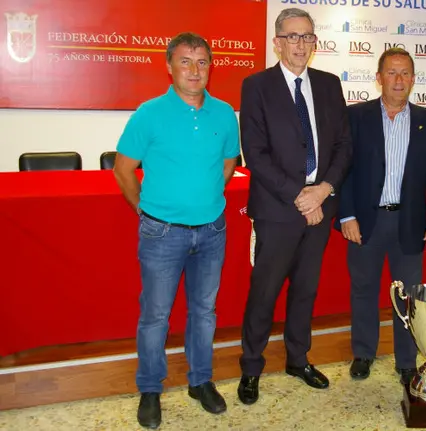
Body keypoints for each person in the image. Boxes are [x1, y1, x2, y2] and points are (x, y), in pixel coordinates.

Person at [113, 32, 239, 429]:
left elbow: (227, 164)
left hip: (212, 232)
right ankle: (150, 388)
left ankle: (199, 381)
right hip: (162, 234)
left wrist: (204, 200)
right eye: (185, 61)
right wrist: (147, 212)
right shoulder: (148, 114)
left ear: (211, 67)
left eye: (202, 62)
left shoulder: (224, 113)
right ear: (169, 66)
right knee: (156, 316)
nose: (194, 70)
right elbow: (123, 169)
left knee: (204, 312)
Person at [237, 7, 352, 405]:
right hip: (277, 209)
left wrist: (323, 190)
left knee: (305, 289)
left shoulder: (329, 84)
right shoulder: (256, 86)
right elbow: (255, 153)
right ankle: (251, 367)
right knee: (264, 293)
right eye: (292, 37)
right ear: (276, 42)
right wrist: (301, 195)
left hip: (320, 205)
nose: (300, 44)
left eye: (307, 37)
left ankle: (297, 359)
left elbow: (342, 146)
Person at [337, 48, 426, 384]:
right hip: (365, 223)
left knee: (409, 296)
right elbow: (343, 171)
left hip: (409, 223)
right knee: (364, 290)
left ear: (413, 80)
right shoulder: (355, 117)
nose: (398, 80)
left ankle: (405, 360)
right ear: (378, 77)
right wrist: (346, 216)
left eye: (405, 73)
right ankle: (363, 353)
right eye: (391, 72)